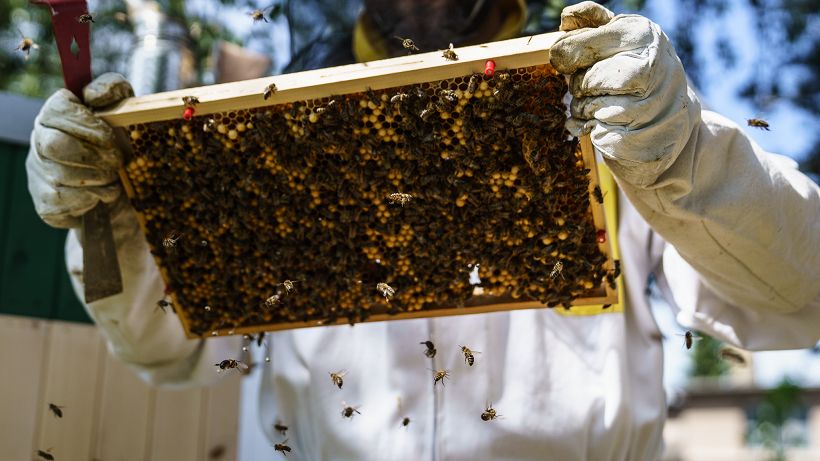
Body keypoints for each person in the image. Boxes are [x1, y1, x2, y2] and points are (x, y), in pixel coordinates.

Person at [25, 1, 819, 459]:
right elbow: (164, 349)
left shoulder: (609, 105)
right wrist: (111, 223)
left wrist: (683, 150)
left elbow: (802, 289)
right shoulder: (275, 128)